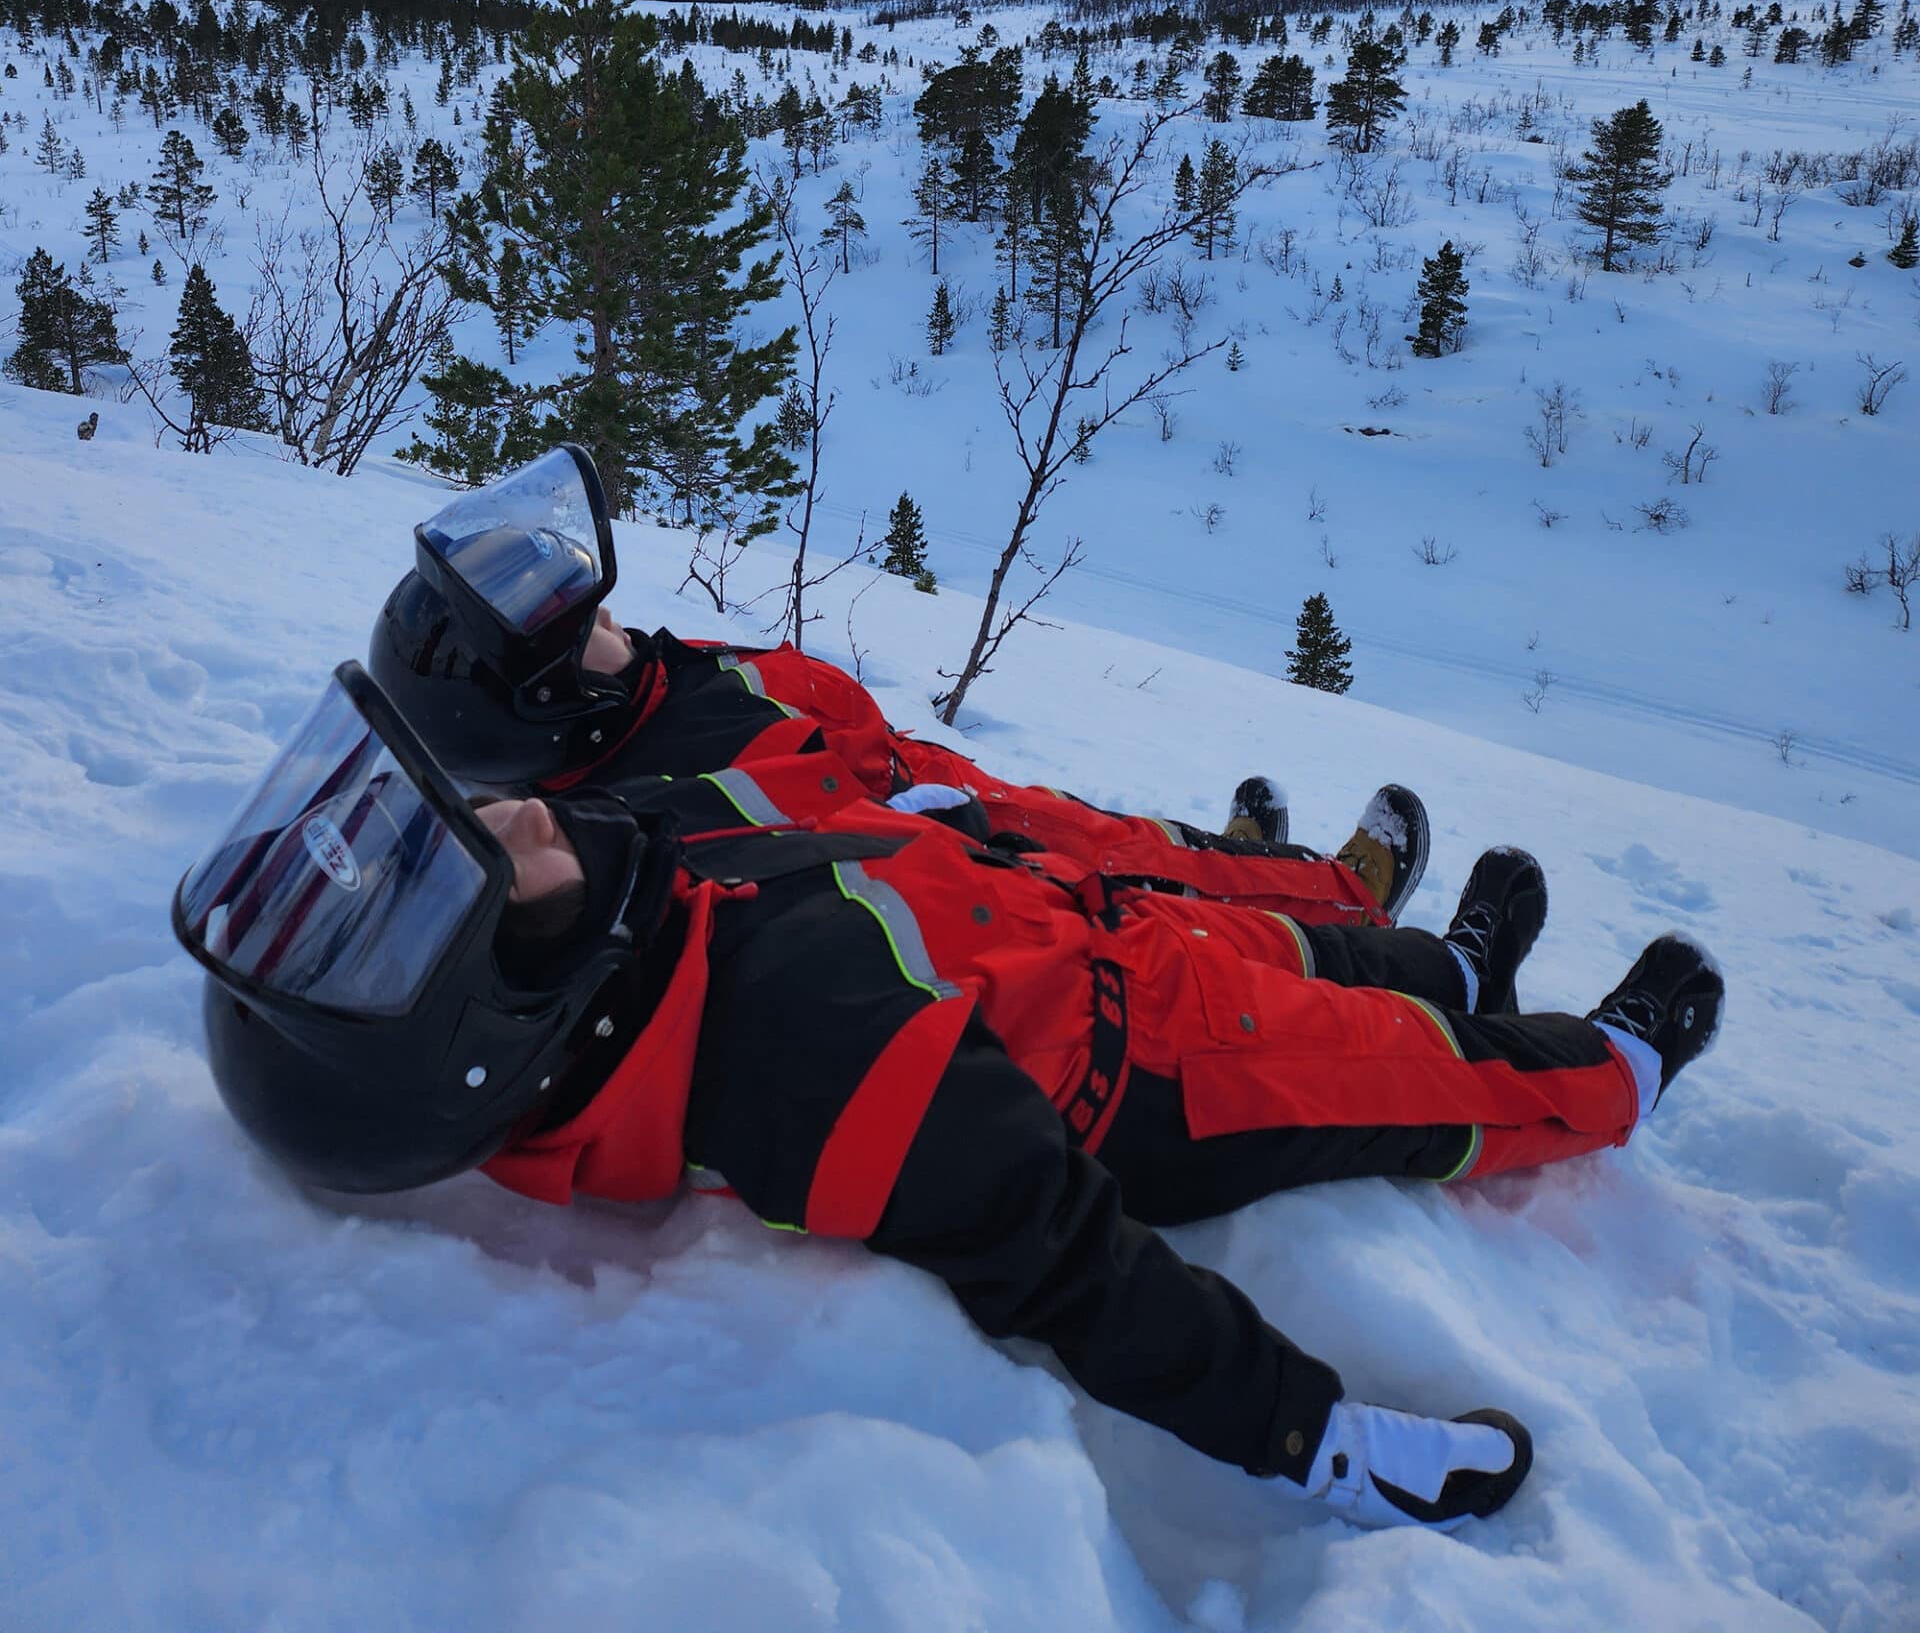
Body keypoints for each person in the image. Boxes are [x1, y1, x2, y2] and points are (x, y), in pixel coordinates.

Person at [173, 649, 1723, 1538]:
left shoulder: (622, 894)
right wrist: (1323, 1439)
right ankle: (1613, 1070)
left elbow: (674, 758)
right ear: (495, 1014)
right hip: (1171, 1072)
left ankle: (1443, 964)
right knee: (1426, 1083)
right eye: (476, 859)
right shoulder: (806, 1070)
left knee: (1343, 966)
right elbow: (1078, 1274)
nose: (508, 813)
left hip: (1073, 930)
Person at [367, 447, 1436, 940]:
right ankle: (1344, 902)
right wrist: (926, 818)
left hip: (931, 776)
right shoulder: (661, 786)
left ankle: (1246, 859)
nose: (612, 618)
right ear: (549, 707)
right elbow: (807, 837)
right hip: (948, 839)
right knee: (1134, 872)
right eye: (581, 630)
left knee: (1130, 831)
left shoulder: (643, 682)